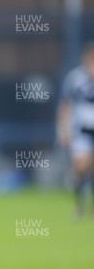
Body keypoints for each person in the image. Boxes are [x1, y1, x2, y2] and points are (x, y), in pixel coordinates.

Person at [57, 43, 94, 218]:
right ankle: (79, 207)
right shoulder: (75, 78)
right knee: (81, 166)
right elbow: (65, 105)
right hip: (81, 129)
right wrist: (63, 130)